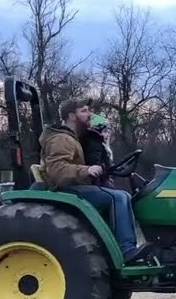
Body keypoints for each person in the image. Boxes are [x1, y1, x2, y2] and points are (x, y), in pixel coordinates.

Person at [39, 98, 144, 262]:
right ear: (72, 116)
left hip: (74, 186)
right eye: (84, 111)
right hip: (65, 189)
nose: (90, 115)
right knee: (118, 197)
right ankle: (126, 249)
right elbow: (57, 170)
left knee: (122, 195)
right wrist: (86, 170)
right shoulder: (61, 139)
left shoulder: (72, 137)